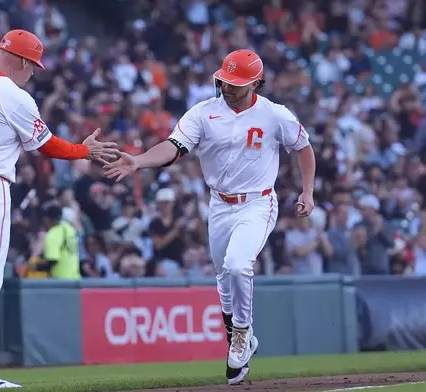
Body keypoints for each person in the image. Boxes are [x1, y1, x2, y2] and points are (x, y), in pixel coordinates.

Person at [104, 49, 316, 385]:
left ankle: (243, 333)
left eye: (236, 83)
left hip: (258, 202)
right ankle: (237, 330)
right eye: (224, 80)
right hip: (219, 204)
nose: (227, 87)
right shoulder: (203, 113)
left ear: (256, 83)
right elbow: (174, 147)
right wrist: (139, 161)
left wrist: (307, 191)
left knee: (237, 265)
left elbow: (303, 147)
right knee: (222, 274)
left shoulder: (275, 115)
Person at [0, 29, 118, 389]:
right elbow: (46, 146)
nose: (33, 73)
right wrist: (84, 151)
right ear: (24, 61)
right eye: (34, 66)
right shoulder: (15, 96)